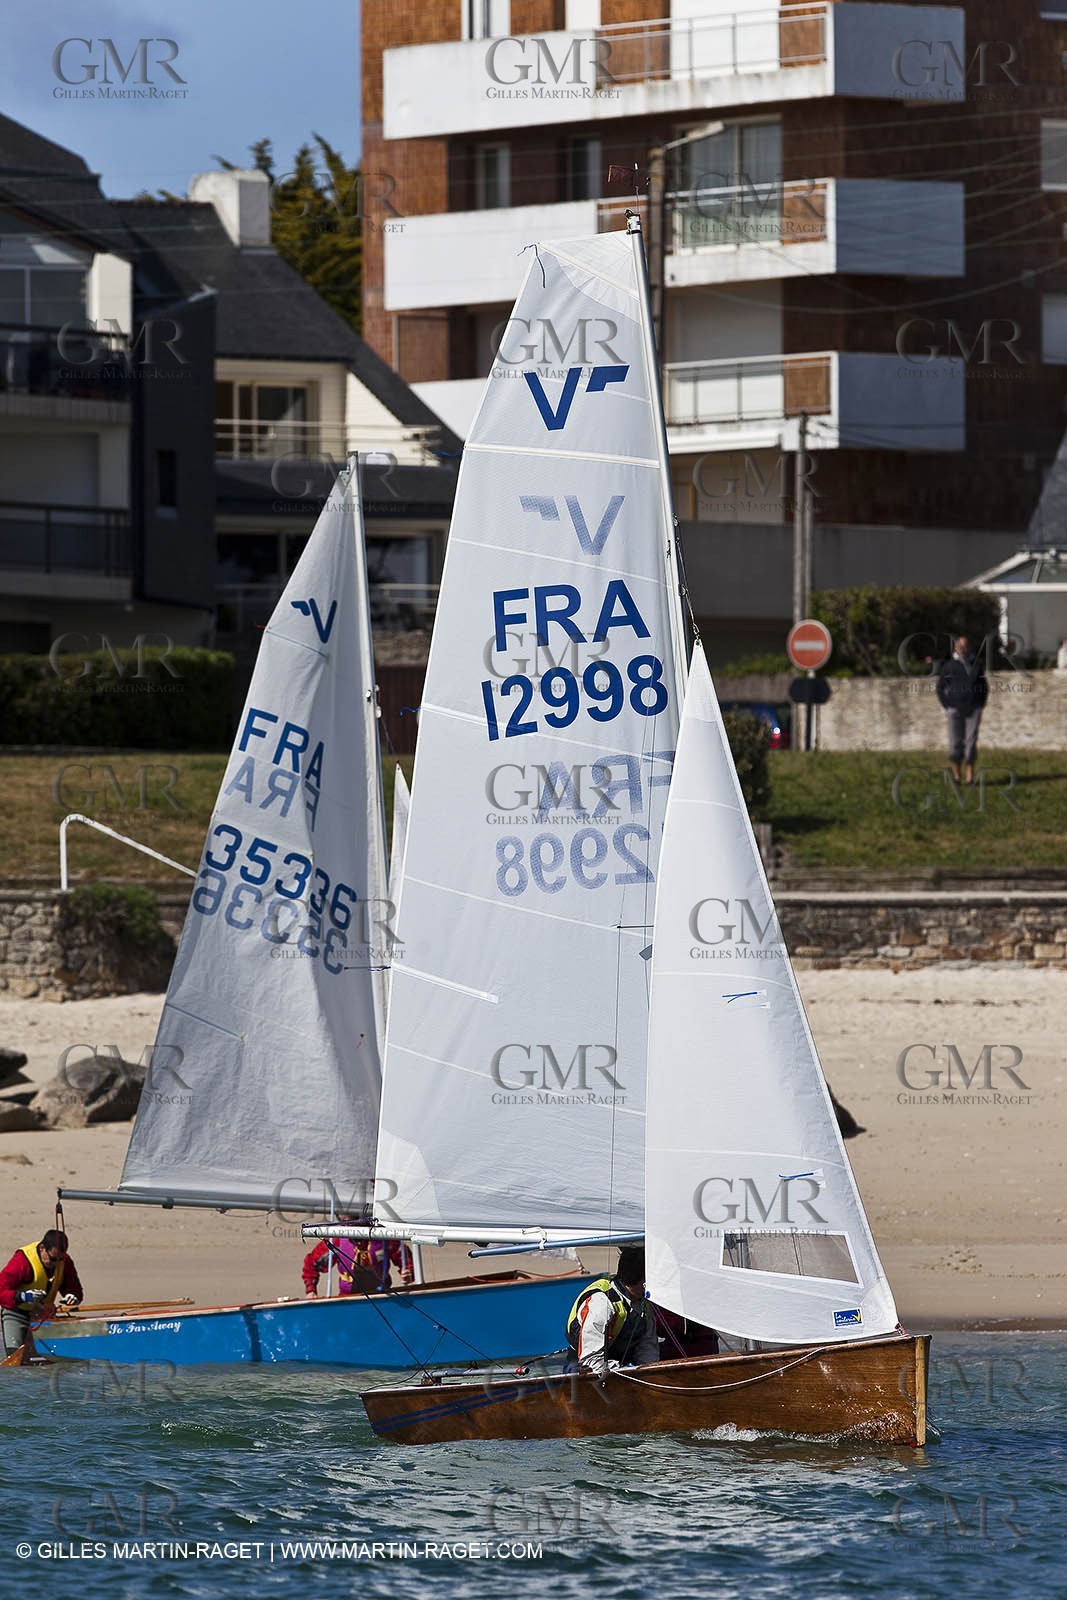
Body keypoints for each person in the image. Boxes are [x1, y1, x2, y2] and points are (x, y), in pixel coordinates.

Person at [566, 1246, 660, 1377]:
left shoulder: (644, 1305)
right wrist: (624, 1372)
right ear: (643, 1280)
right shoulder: (601, 1303)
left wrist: (650, 1374)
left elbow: (647, 1349)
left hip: (622, 1364)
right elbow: (590, 1360)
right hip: (585, 1366)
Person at [0, 1230, 83, 1357]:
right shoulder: (22, 1261)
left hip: (43, 1316)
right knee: (15, 1359)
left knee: (51, 1359)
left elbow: (75, 1289)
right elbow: (2, 1291)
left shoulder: (64, 1261)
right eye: (53, 1259)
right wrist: (23, 1296)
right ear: (42, 1248)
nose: (56, 1264)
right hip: (16, 1314)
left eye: (60, 1259)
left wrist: (73, 1297)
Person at [936, 634, 989, 786]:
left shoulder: (976, 665)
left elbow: (984, 687)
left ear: (969, 648)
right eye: (960, 646)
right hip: (954, 710)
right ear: (955, 648)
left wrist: (981, 704)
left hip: (974, 709)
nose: (962, 649)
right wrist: (948, 705)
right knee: (955, 744)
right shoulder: (949, 666)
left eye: (965, 646)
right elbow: (940, 688)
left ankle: (970, 776)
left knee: (970, 743)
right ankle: (956, 775)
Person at [302, 1226, 414, 1297]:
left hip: (382, 1297)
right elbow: (311, 1264)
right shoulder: (337, 1240)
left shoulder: (384, 1237)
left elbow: (406, 1259)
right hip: (348, 1299)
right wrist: (311, 1291)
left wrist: (408, 1273)